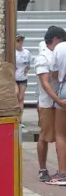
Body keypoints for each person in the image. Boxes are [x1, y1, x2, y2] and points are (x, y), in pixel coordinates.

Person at [35, 26, 66, 182]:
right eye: (62, 40)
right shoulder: (43, 57)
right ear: (55, 39)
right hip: (48, 103)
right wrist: (58, 100)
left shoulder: (59, 53)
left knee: (61, 136)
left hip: (59, 103)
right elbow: (45, 83)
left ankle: (61, 169)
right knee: (45, 136)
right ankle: (43, 169)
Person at [48, 36, 66, 185]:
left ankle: (62, 173)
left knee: (61, 133)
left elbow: (54, 73)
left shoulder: (60, 48)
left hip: (64, 88)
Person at [15, 35, 31, 113]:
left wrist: (26, 69)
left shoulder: (27, 52)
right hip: (14, 79)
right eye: (18, 41)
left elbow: (29, 65)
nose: (20, 43)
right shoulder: (13, 53)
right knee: (16, 94)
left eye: (21, 41)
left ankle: (20, 119)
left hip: (23, 78)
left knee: (21, 97)